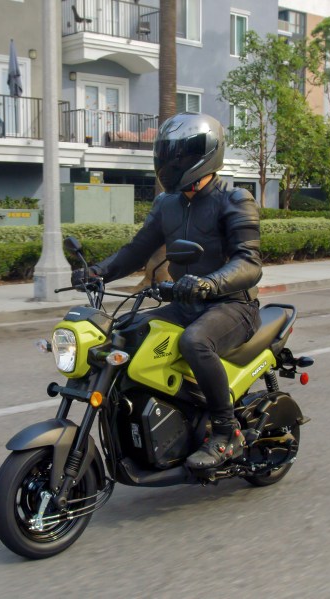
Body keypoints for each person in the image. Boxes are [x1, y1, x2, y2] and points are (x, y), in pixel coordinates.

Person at [71, 112, 263, 470]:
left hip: (232, 306)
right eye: (169, 154)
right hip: (183, 302)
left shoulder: (235, 199)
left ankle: (226, 431)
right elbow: (137, 251)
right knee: (125, 334)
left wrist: (210, 283)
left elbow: (250, 263)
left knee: (195, 342)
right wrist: (98, 272)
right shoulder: (167, 204)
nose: (173, 162)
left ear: (206, 155)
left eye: (182, 154)